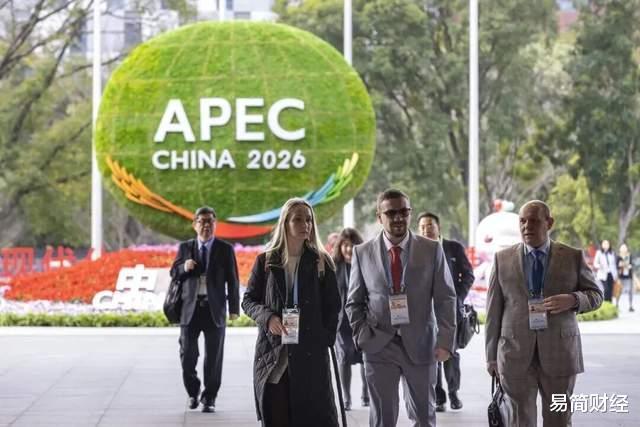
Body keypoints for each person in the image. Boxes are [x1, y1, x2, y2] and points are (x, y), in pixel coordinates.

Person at [485, 200, 603, 427]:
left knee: (559, 419)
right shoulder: (502, 259)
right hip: (514, 353)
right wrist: (491, 357)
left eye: (534, 221)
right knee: (520, 421)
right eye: (522, 221)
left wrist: (573, 300)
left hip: (560, 353)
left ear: (549, 223)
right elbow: (493, 312)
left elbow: (596, 295)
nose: (526, 226)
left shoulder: (572, 257)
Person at [346, 189, 457, 427]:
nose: (398, 217)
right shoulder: (362, 253)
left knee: (424, 418)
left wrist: (445, 341)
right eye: (391, 213)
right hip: (378, 345)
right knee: (382, 419)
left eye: (404, 212)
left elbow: (446, 298)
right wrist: (362, 335)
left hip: (422, 344)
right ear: (379, 217)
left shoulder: (431, 249)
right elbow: (354, 302)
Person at [242, 198, 341, 427]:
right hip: (274, 355)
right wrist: (268, 318)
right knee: (277, 416)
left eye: (308, 220)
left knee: (313, 417)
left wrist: (324, 338)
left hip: (310, 355)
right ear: (285, 223)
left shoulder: (321, 261)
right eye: (298, 219)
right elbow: (248, 301)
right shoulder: (266, 261)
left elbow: (333, 306)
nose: (305, 224)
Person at [169, 206, 240, 413]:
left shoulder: (225, 249)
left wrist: (234, 308)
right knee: (187, 355)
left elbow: (233, 280)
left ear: (215, 224)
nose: (206, 225)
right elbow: (174, 272)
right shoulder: (185, 247)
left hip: (214, 310)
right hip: (189, 310)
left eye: (210, 221)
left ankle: (209, 397)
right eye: (201, 221)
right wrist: (184, 267)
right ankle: (193, 392)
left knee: (214, 357)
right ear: (195, 225)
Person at [417, 212, 474, 412]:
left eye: (430, 225)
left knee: (451, 352)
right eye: (422, 226)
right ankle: (439, 398)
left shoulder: (453, 247)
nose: (426, 229)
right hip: (426, 312)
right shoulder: (416, 250)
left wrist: (457, 298)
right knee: (432, 354)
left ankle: (453, 392)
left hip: (450, 311)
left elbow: (468, 275)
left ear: (438, 227)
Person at [332, 227, 369, 411]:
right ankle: (346, 398)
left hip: (362, 319)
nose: (348, 249)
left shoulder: (366, 265)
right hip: (341, 322)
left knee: (365, 356)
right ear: (340, 246)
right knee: (344, 357)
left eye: (352, 245)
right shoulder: (333, 266)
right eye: (345, 245)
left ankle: (366, 394)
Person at [618, 243, 634, 312]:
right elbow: (616, 265)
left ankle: (630, 306)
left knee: (630, 291)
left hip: (628, 276)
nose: (624, 249)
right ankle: (616, 304)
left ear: (627, 249)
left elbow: (632, 264)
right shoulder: (618, 256)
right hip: (620, 276)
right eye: (622, 248)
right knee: (619, 290)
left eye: (625, 248)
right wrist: (620, 265)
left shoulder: (629, 255)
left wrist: (628, 265)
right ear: (620, 249)